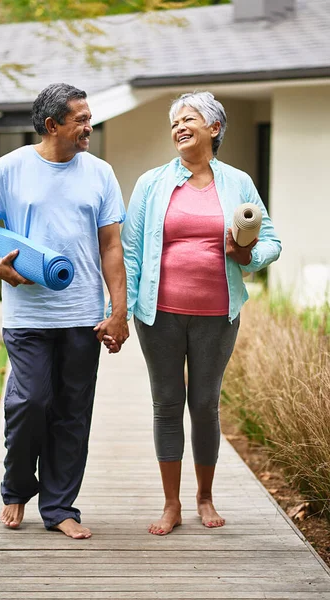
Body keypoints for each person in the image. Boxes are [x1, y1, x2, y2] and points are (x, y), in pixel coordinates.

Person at [0, 82, 129, 539]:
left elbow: (112, 246)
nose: (89, 127)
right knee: (30, 402)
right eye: (81, 120)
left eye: (89, 118)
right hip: (27, 315)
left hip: (81, 314)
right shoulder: (8, 169)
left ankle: (60, 508)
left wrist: (119, 310)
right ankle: (16, 487)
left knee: (73, 413)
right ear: (53, 125)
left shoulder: (100, 173)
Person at [104, 91, 281, 535]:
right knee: (167, 404)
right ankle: (171, 504)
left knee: (204, 404)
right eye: (174, 123)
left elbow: (272, 241)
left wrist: (247, 255)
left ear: (214, 128)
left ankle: (205, 496)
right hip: (158, 313)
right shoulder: (151, 183)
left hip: (218, 312)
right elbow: (130, 250)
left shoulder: (238, 183)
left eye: (189, 119)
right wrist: (119, 311)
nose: (179, 127)